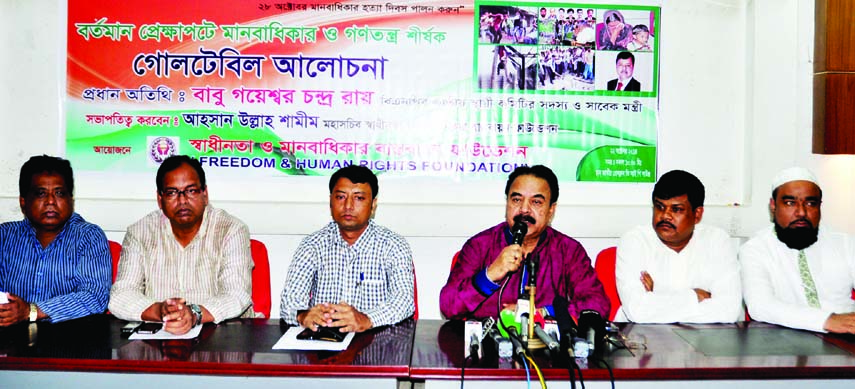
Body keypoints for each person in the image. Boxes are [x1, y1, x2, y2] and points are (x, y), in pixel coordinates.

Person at [439, 165, 609, 320]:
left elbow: (598, 304)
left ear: (551, 210)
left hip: (546, 347)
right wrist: (490, 274)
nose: (524, 209)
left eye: (536, 202)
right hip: (488, 346)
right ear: (507, 203)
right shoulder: (480, 246)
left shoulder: (569, 251)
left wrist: (541, 312)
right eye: (516, 200)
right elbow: (448, 306)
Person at [109, 155, 253, 335]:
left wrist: (193, 314)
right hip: (161, 337)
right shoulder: (140, 232)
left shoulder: (231, 230)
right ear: (160, 199)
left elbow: (236, 295)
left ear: (205, 194)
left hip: (221, 337)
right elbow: (120, 296)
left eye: (191, 191)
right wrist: (160, 310)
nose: (183, 200)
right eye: (172, 193)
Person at [280, 165, 414, 333]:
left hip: (376, 342)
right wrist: (303, 315)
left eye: (359, 198)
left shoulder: (393, 245)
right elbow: (290, 301)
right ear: (330, 201)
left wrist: (367, 319)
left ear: (373, 204)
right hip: (324, 346)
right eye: (341, 197)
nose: (348, 206)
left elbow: (404, 301)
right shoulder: (312, 245)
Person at [615, 170, 741, 323]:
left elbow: (729, 311)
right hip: (641, 341)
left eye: (676, 209)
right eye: (659, 207)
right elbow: (637, 311)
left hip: (703, 340)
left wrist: (656, 301)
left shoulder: (717, 241)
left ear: (697, 214)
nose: (665, 216)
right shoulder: (635, 241)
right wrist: (695, 297)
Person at [740, 167, 855, 333]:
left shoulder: (845, 243)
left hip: (847, 338)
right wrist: (827, 320)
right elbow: (761, 306)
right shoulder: (755, 249)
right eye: (790, 203)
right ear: (773, 206)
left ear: (820, 206)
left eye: (810, 203)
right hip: (784, 343)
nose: (801, 212)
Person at [0, 155, 111, 326]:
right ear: (23, 202)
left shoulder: (88, 236)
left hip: (71, 342)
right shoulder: (5, 236)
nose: (51, 201)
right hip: (11, 338)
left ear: (71, 200)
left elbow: (95, 296)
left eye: (59, 193)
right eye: (41, 193)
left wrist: (32, 311)